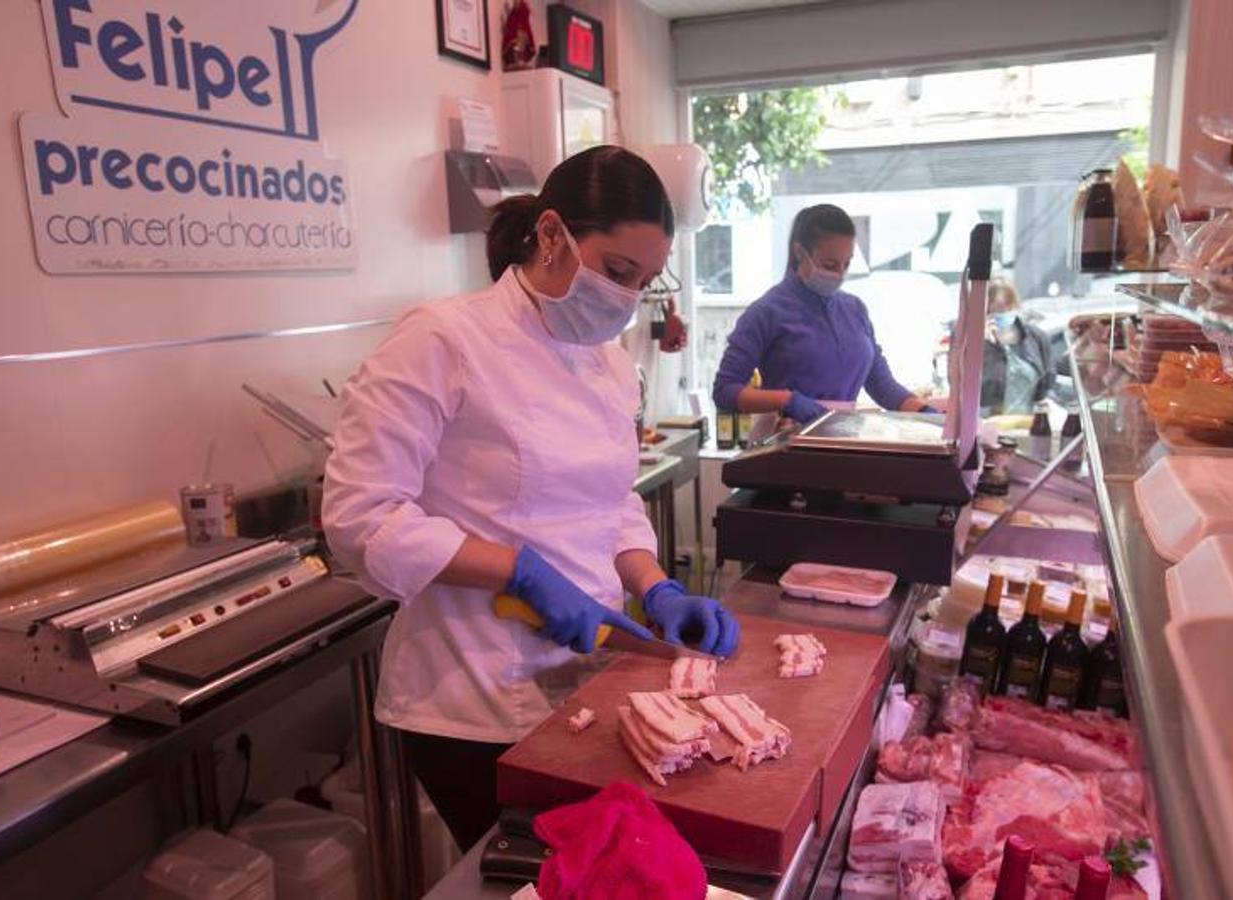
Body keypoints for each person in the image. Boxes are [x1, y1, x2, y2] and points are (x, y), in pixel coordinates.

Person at [323, 146, 741, 851]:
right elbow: (359, 517)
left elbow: (612, 502)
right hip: (468, 693)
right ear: (551, 235)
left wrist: (656, 586)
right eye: (616, 272)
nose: (627, 299)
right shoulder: (442, 338)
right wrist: (519, 571)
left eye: (642, 281)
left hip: (583, 677)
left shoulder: (607, 362)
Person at [712, 204, 938, 436]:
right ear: (800, 253)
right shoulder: (766, 312)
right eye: (830, 265)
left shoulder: (855, 310)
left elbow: (882, 386)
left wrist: (927, 414)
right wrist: (787, 400)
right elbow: (724, 391)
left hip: (842, 444)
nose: (839, 274)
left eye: (846, 264)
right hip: (785, 448)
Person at [980, 277, 1056, 415]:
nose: (1003, 312)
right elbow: (970, 385)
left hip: (1029, 423)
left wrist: (1046, 401)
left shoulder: (1036, 338)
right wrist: (986, 344)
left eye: (1007, 306)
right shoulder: (977, 343)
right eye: (997, 308)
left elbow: (1049, 381)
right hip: (989, 423)